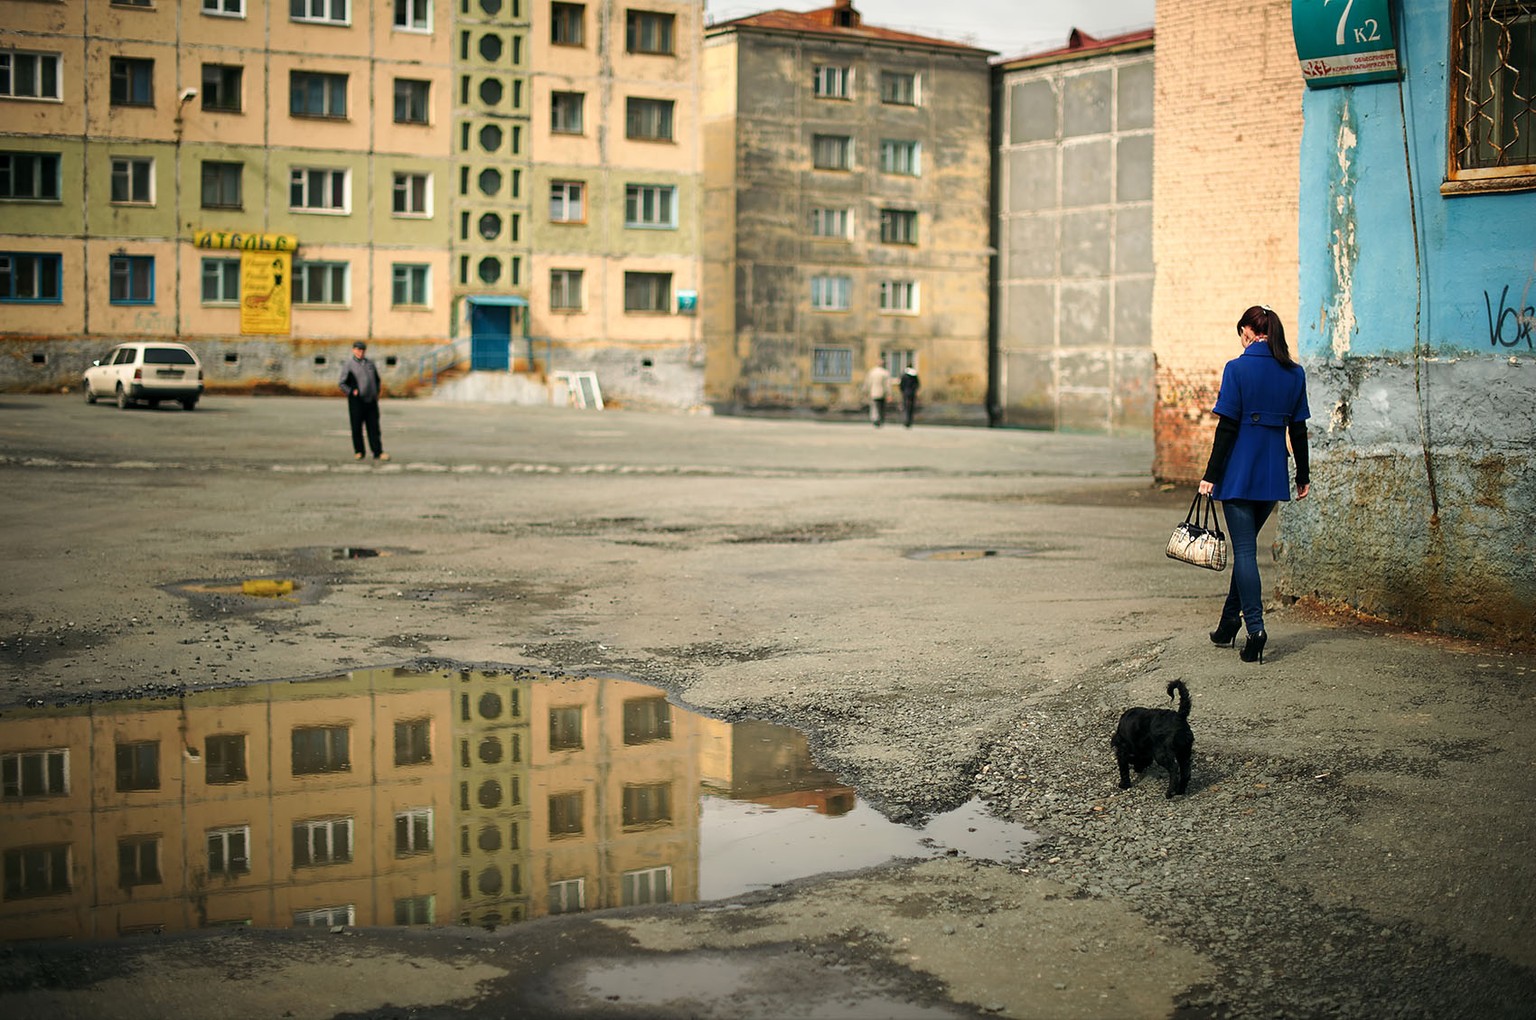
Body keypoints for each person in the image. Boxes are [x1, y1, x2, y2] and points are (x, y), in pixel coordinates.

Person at [1197, 305, 1310, 663]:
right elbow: (1299, 430)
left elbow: (1227, 428)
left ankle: (1256, 630)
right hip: (1273, 475)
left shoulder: (1237, 368)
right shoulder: (1294, 373)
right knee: (1246, 550)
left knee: (1245, 553)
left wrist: (1210, 475)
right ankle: (1228, 625)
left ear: (1248, 331)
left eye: (1240, 333)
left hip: (1239, 475)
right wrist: (1303, 475)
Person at [339, 341, 389, 461]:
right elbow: (342, 383)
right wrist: (352, 392)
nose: (360, 352)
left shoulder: (370, 363)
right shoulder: (349, 365)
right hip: (357, 401)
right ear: (353, 350)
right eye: (358, 350)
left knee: (374, 428)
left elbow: (377, 380)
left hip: (371, 401)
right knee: (357, 427)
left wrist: (376, 392)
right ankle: (359, 451)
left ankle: (378, 452)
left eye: (362, 350)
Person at [864, 362, 892, 427]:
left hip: (873, 392)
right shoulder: (885, 373)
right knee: (881, 407)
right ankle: (881, 419)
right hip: (882, 393)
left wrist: (866, 391)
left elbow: (868, 382)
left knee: (874, 406)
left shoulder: (872, 372)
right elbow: (887, 385)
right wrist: (889, 394)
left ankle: (875, 419)